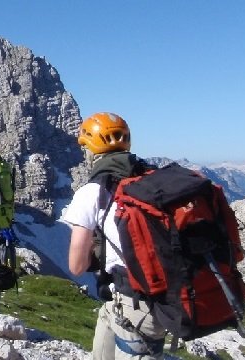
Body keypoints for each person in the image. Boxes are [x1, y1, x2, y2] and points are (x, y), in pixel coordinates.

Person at [61, 112, 164, 359]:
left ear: (92, 148)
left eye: (85, 146)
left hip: (134, 301)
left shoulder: (92, 192)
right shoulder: (153, 179)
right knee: (105, 325)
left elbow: (76, 267)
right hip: (153, 295)